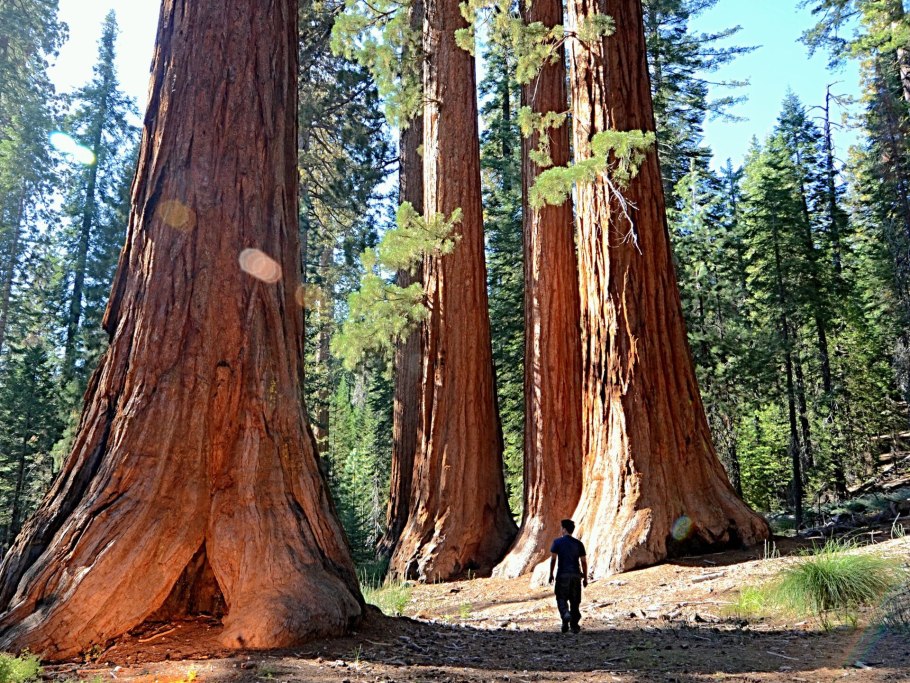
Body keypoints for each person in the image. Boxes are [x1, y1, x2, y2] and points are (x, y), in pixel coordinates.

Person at [548, 519, 588, 633]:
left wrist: (551, 574)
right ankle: (573, 625)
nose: (561, 530)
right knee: (575, 601)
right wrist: (585, 577)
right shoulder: (578, 544)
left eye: (561, 528)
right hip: (576, 575)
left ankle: (565, 614)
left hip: (562, 575)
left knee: (561, 598)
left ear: (564, 529)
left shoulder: (557, 542)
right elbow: (583, 562)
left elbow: (553, 559)